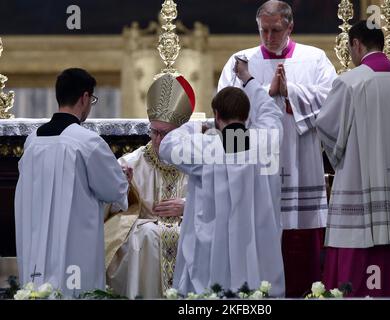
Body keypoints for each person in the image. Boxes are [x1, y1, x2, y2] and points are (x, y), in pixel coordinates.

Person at [218, 0, 337, 297]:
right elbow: (225, 112)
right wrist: (264, 93)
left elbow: (334, 102)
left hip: (301, 163)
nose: (269, 37)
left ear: (290, 27)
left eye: (276, 30)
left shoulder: (315, 59)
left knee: (302, 246)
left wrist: (290, 93)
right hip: (256, 168)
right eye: (263, 30)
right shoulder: (240, 62)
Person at [317, 21, 390, 297]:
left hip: (359, 203)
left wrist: (336, 155)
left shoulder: (350, 82)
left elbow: (327, 128)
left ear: (356, 44)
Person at [159, 58, 285, 297]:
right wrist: (247, 79)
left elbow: (167, 145)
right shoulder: (267, 141)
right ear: (248, 116)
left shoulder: (206, 148)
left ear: (216, 115)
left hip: (213, 255)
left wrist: (195, 126)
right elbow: (270, 111)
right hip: (255, 252)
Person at [15, 68, 129, 297]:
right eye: (92, 100)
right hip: (74, 242)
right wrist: (125, 179)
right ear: (85, 98)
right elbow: (114, 189)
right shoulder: (87, 141)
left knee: (36, 289)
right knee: (74, 290)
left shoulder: (32, 141)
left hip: (34, 238)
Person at [104, 73, 195, 299]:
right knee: (147, 235)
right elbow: (111, 212)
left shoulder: (198, 161)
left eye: (165, 133)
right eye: (154, 131)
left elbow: (221, 197)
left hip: (189, 224)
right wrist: (120, 188)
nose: (157, 139)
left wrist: (188, 206)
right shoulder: (131, 163)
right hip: (143, 233)